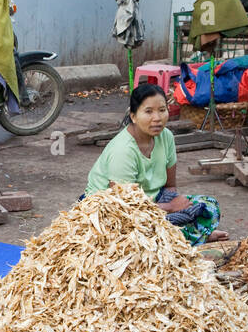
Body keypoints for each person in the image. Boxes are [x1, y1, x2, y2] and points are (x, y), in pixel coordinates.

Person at [86, 83, 228, 244]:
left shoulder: (166, 136)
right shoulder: (123, 150)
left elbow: (170, 186)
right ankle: (193, 236)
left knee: (209, 206)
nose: (157, 118)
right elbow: (124, 207)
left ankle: (183, 236)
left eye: (162, 110)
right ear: (133, 116)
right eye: (148, 111)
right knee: (133, 233)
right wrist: (171, 208)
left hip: (153, 200)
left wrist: (176, 206)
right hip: (113, 210)